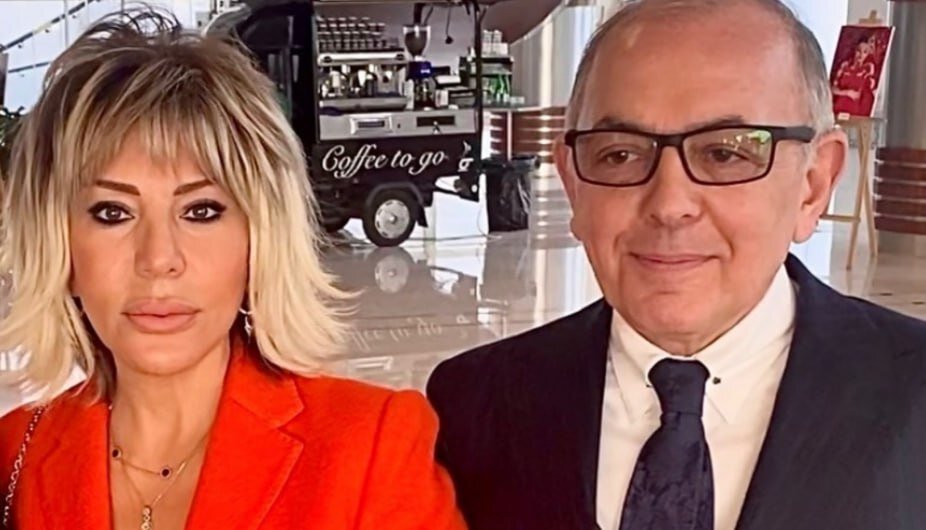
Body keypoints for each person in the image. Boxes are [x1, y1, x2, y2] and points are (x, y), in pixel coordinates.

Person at [427, 1, 926, 529]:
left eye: (726, 153)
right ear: (573, 183)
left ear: (813, 184)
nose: (669, 204)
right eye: (620, 154)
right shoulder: (474, 404)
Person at [0, 10, 465, 530]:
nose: (159, 260)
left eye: (201, 211)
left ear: (258, 239)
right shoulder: (14, 453)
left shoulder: (371, 449)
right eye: (112, 213)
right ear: (60, 246)